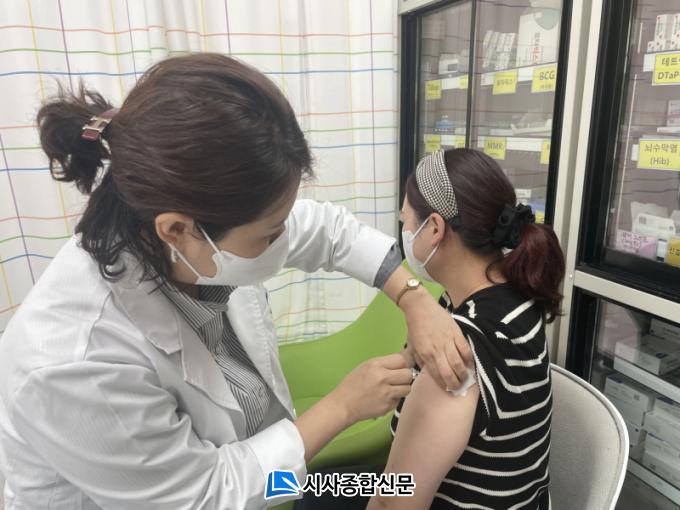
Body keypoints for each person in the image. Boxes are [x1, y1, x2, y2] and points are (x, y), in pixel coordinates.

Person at [0, 54, 473, 510]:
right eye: (271, 233)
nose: (286, 238)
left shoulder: (195, 234)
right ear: (177, 230)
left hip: (270, 475)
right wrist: (343, 407)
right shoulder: (76, 364)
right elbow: (206, 496)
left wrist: (414, 299)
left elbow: (329, 232)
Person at [366, 148, 565, 510]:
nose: (404, 231)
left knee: (308, 495)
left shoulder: (455, 353)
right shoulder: (512, 295)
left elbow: (392, 502)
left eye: (406, 220)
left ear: (435, 228)